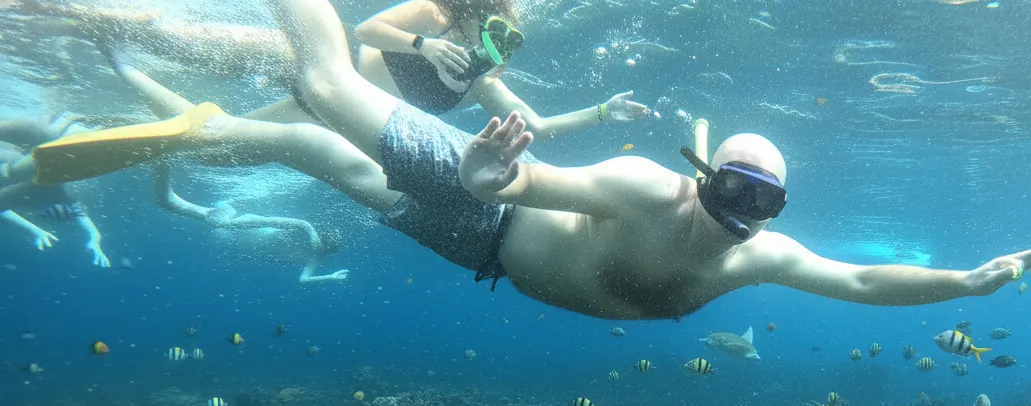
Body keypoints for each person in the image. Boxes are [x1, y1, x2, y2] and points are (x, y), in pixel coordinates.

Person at [19, 0, 1031, 320]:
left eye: (765, 202)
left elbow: (864, 275)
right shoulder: (649, 190)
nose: (744, 214)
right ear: (702, 179)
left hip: (477, 251)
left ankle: (193, 126)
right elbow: (538, 180)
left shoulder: (759, 259)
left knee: (312, 153)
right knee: (331, 96)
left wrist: (966, 282)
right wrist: (485, 174)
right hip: (493, 211)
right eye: (734, 188)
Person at [16, 0, 651, 137]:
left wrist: (602, 111)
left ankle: (110, 92)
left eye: (510, 40)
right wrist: (425, 48)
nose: (499, 46)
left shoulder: (481, 79)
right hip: (316, 62)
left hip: (323, 107)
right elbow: (365, 28)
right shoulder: (435, 18)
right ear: (472, 16)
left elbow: (534, 125)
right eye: (494, 30)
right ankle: (74, 11)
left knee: (219, 138)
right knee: (184, 40)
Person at [152, 164, 350, 284]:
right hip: (241, 226)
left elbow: (303, 279)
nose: (325, 245)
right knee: (216, 216)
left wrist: (330, 277)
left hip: (235, 242)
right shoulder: (302, 230)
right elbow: (266, 221)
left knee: (210, 227)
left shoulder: (314, 255)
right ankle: (226, 206)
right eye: (327, 240)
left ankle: (225, 208)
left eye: (330, 245)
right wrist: (229, 224)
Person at [0, 114, 110, 267]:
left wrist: (94, 242)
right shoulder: (57, 195)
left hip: (24, 154)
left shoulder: (55, 195)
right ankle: (69, 131)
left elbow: (2, 207)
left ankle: (70, 130)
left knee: (38, 139)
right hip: (21, 155)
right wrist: (36, 230)